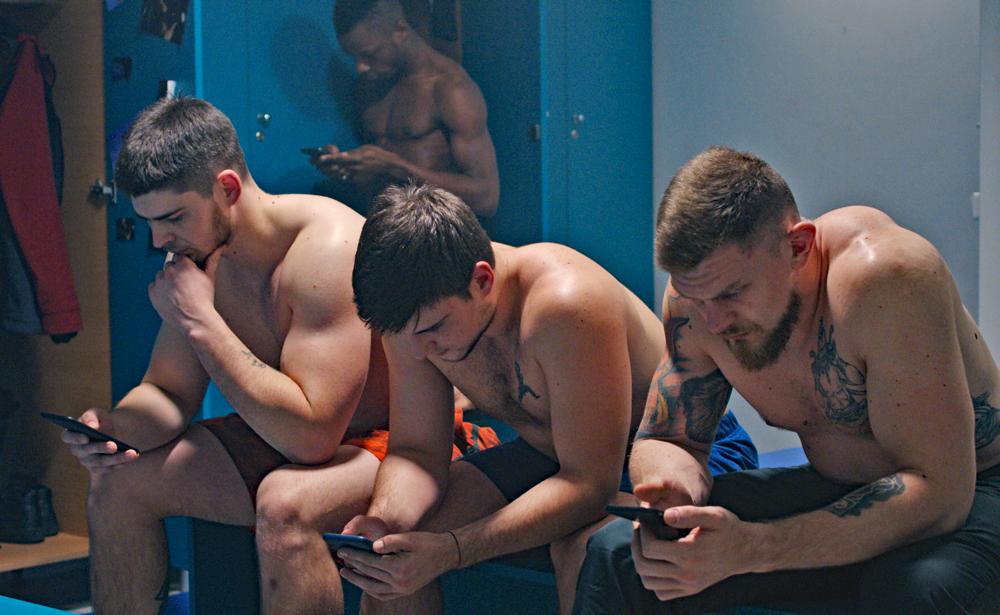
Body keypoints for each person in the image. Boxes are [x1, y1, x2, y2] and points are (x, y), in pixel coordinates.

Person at [58, 97, 491, 615]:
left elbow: (312, 438)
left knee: (286, 503)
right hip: (291, 436)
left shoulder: (326, 249)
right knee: (118, 482)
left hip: (400, 443)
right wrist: (114, 430)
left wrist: (201, 322)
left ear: (227, 189)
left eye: (173, 217)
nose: (159, 240)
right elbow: (168, 392)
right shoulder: (197, 254)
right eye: (149, 222)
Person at [573, 146, 1000, 614]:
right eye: (699, 299)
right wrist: (671, 491)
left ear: (798, 246)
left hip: (975, 489)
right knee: (619, 552)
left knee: (914, 589)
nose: (714, 322)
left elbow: (940, 494)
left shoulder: (887, 278)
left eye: (732, 293)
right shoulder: (695, 301)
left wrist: (752, 549)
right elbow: (669, 438)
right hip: (842, 485)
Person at [338, 183, 758, 615]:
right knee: (392, 555)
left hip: (686, 450)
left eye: (433, 329)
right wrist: (383, 522)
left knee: (584, 550)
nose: (418, 351)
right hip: (554, 452)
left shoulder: (565, 303)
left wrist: (452, 550)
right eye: (406, 334)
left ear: (482, 280)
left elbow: (588, 484)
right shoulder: (413, 323)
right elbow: (417, 451)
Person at [308, 0, 500, 217]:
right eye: (354, 57)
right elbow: (380, 172)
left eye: (369, 54)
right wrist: (348, 166)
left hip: (434, 228)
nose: (360, 67)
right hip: (382, 223)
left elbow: (487, 199)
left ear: (399, 31)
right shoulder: (369, 85)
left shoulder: (450, 89)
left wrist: (395, 167)